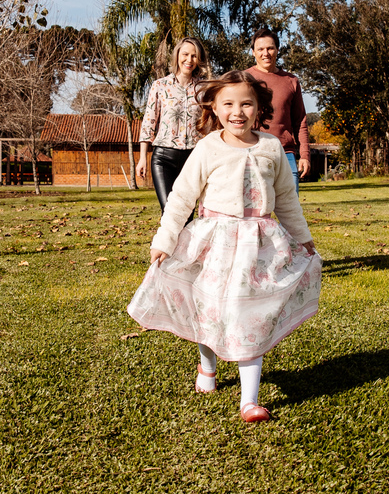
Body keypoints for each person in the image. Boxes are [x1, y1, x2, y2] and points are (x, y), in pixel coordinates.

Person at [127, 70, 322, 423]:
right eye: (228, 104)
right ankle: (208, 365)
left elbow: (286, 200)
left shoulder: (270, 146)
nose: (238, 111)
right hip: (214, 241)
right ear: (214, 109)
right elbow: (181, 197)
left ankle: (250, 400)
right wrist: (164, 241)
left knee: (251, 315)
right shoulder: (208, 147)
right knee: (210, 308)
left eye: (247, 103)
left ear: (260, 107)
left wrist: (304, 239)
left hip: (259, 244)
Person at [136, 37, 210, 211]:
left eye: (194, 56)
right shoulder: (160, 86)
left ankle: (184, 240)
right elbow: (149, 122)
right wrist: (142, 159)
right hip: (163, 158)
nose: (189, 60)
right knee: (169, 212)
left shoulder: (204, 89)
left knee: (187, 213)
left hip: (193, 158)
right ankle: (168, 239)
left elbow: (210, 123)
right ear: (177, 55)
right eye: (185, 54)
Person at [247, 28, 310, 189]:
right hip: (251, 152)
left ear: (277, 50)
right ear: (253, 52)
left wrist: (305, 155)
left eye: (270, 48)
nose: (265, 53)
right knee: (254, 211)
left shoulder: (291, 81)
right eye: (260, 49)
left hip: (285, 154)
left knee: (290, 212)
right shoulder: (243, 79)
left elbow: (300, 121)